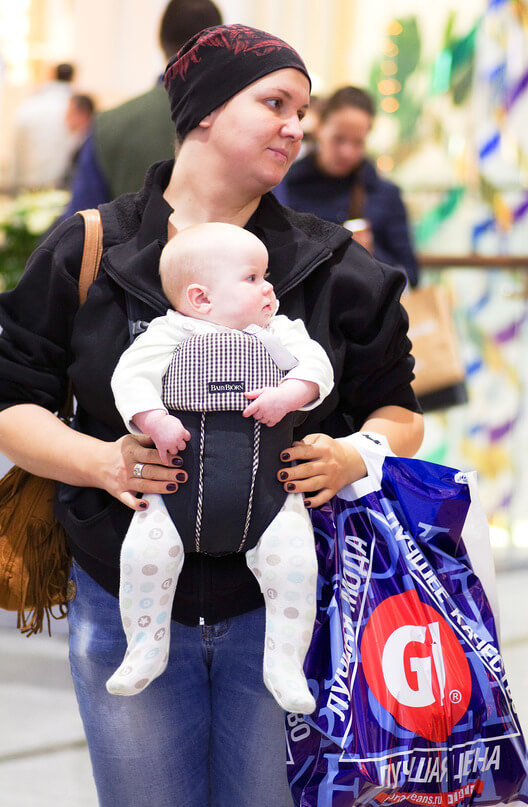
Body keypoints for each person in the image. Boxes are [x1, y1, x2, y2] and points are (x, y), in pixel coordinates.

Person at [0, 23, 423, 807]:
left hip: (284, 605)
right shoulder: (90, 249)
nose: (296, 127)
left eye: (303, 110)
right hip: (120, 591)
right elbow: (12, 404)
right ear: (203, 110)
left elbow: (399, 410)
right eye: (275, 103)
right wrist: (102, 460)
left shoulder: (332, 265)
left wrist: (352, 453)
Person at [107, 221, 333, 714]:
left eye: (266, 276)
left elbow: (317, 366)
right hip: (176, 498)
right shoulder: (170, 333)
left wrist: (289, 395)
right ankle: (144, 647)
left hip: (270, 499)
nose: (269, 287)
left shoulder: (279, 332)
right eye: (252, 278)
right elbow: (130, 379)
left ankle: (285, 663)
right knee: (144, 557)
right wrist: (155, 420)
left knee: (295, 566)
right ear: (201, 298)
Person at [61, 0, 222, 216]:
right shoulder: (244, 120)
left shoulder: (109, 125)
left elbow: (83, 220)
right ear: (222, 44)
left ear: (160, 41)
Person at [274, 85, 420, 287]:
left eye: (358, 143)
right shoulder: (285, 185)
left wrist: (370, 254)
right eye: (339, 139)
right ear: (320, 129)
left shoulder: (385, 194)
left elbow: (410, 276)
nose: (347, 153)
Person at [12, 62, 78, 189]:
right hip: (61, 184)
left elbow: (17, 146)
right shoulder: (75, 108)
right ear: (73, 77)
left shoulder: (29, 105)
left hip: (29, 182)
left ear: (52, 75)